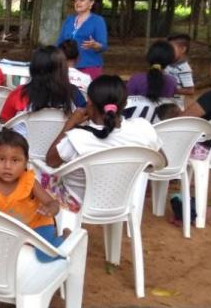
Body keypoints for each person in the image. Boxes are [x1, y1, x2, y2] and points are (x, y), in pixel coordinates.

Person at [44, 75, 161, 211]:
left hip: (78, 203)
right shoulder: (143, 129)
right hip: (122, 200)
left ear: (90, 104)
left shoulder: (76, 139)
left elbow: (50, 162)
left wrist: (69, 124)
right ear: (124, 104)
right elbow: (159, 162)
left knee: (37, 175)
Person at [0, 129, 63, 262]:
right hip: (7, 230)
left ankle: (65, 237)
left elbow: (53, 204)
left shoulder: (29, 181)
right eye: (1, 159)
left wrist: (50, 209)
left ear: (25, 162)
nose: (7, 166)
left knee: (46, 256)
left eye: (15, 160)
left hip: (37, 226)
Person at [0, 46, 86, 126]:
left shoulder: (20, 94)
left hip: (25, 142)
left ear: (33, 69)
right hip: (63, 142)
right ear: (63, 70)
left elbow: (4, 122)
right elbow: (85, 119)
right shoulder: (74, 94)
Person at [56, 0, 108, 79]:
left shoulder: (98, 21)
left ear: (91, 3)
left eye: (82, 0)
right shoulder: (69, 20)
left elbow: (103, 46)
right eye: (76, 0)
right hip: (67, 66)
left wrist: (95, 45)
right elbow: (60, 42)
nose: (78, 3)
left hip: (89, 66)